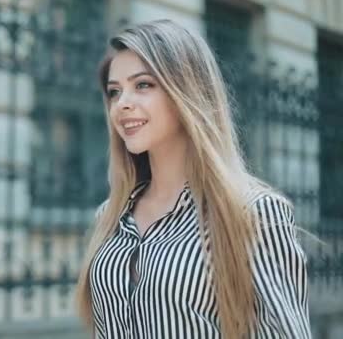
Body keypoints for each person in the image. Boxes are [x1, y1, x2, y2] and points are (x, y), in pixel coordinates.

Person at [75, 19, 312, 339]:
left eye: (143, 85)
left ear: (185, 91)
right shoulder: (110, 216)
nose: (122, 104)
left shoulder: (253, 213)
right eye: (114, 92)